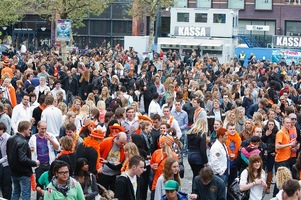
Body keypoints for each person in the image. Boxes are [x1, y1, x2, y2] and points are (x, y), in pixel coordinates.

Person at [7, 120, 40, 200]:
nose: (30, 131)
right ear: (24, 130)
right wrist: (34, 163)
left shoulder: (10, 139)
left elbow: (8, 154)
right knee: (25, 194)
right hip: (23, 172)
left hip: (13, 171)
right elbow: (22, 159)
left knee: (15, 192)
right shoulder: (23, 142)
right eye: (29, 129)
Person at [28, 120, 60, 199]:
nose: (44, 130)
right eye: (42, 128)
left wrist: (50, 140)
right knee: (39, 186)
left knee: (51, 184)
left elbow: (58, 148)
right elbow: (31, 151)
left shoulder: (50, 135)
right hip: (39, 166)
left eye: (45, 128)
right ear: (38, 128)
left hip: (49, 164)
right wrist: (34, 163)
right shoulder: (33, 138)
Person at [150, 134, 178, 200]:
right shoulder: (156, 153)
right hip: (156, 182)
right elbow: (152, 163)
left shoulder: (173, 156)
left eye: (162, 142)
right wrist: (152, 167)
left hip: (169, 184)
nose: (160, 143)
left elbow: (176, 170)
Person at [186, 118, 208, 186]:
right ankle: (196, 191)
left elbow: (187, 145)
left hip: (190, 155)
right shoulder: (202, 134)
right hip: (198, 156)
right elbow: (202, 149)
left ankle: (194, 190)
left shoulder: (190, 133)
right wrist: (206, 161)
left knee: (194, 175)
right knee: (199, 176)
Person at [0, 122, 12, 199]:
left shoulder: (8, 138)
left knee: (7, 186)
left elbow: (9, 154)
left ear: (2, 130)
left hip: (6, 165)